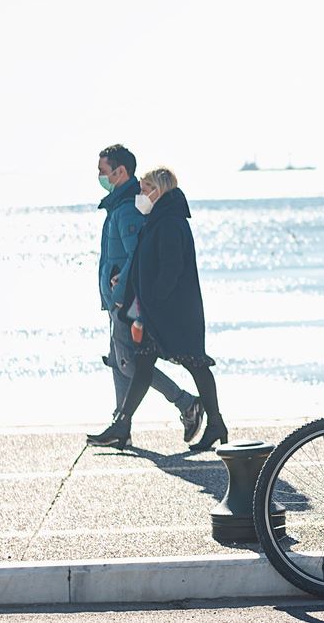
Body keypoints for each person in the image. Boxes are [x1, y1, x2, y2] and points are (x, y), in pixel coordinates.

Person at [87, 168, 226, 451]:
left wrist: (151, 305)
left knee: (196, 364)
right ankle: (122, 425)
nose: (139, 193)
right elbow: (144, 261)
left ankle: (215, 423)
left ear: (158, 190)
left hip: (174, 312)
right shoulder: (157, 219)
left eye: (144, 187)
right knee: (143, 366)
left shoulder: (170, 223)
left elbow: (171, 269)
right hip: (156, 310)